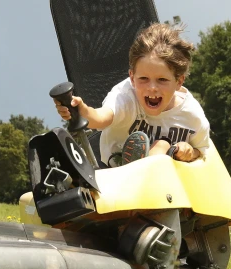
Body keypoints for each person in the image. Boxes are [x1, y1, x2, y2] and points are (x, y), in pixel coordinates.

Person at [54, 22, 210, 167]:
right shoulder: (125, 96)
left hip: (168, 184)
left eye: (162, 80)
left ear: (179, 81)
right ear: (132, 78)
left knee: (162, 145)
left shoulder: (192, 116)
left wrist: (189, 151)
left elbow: (203, 153)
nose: (152, 88)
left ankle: (145, 165)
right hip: (117, 174)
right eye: (143, 79)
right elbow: (100, 119)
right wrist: (81, 110)